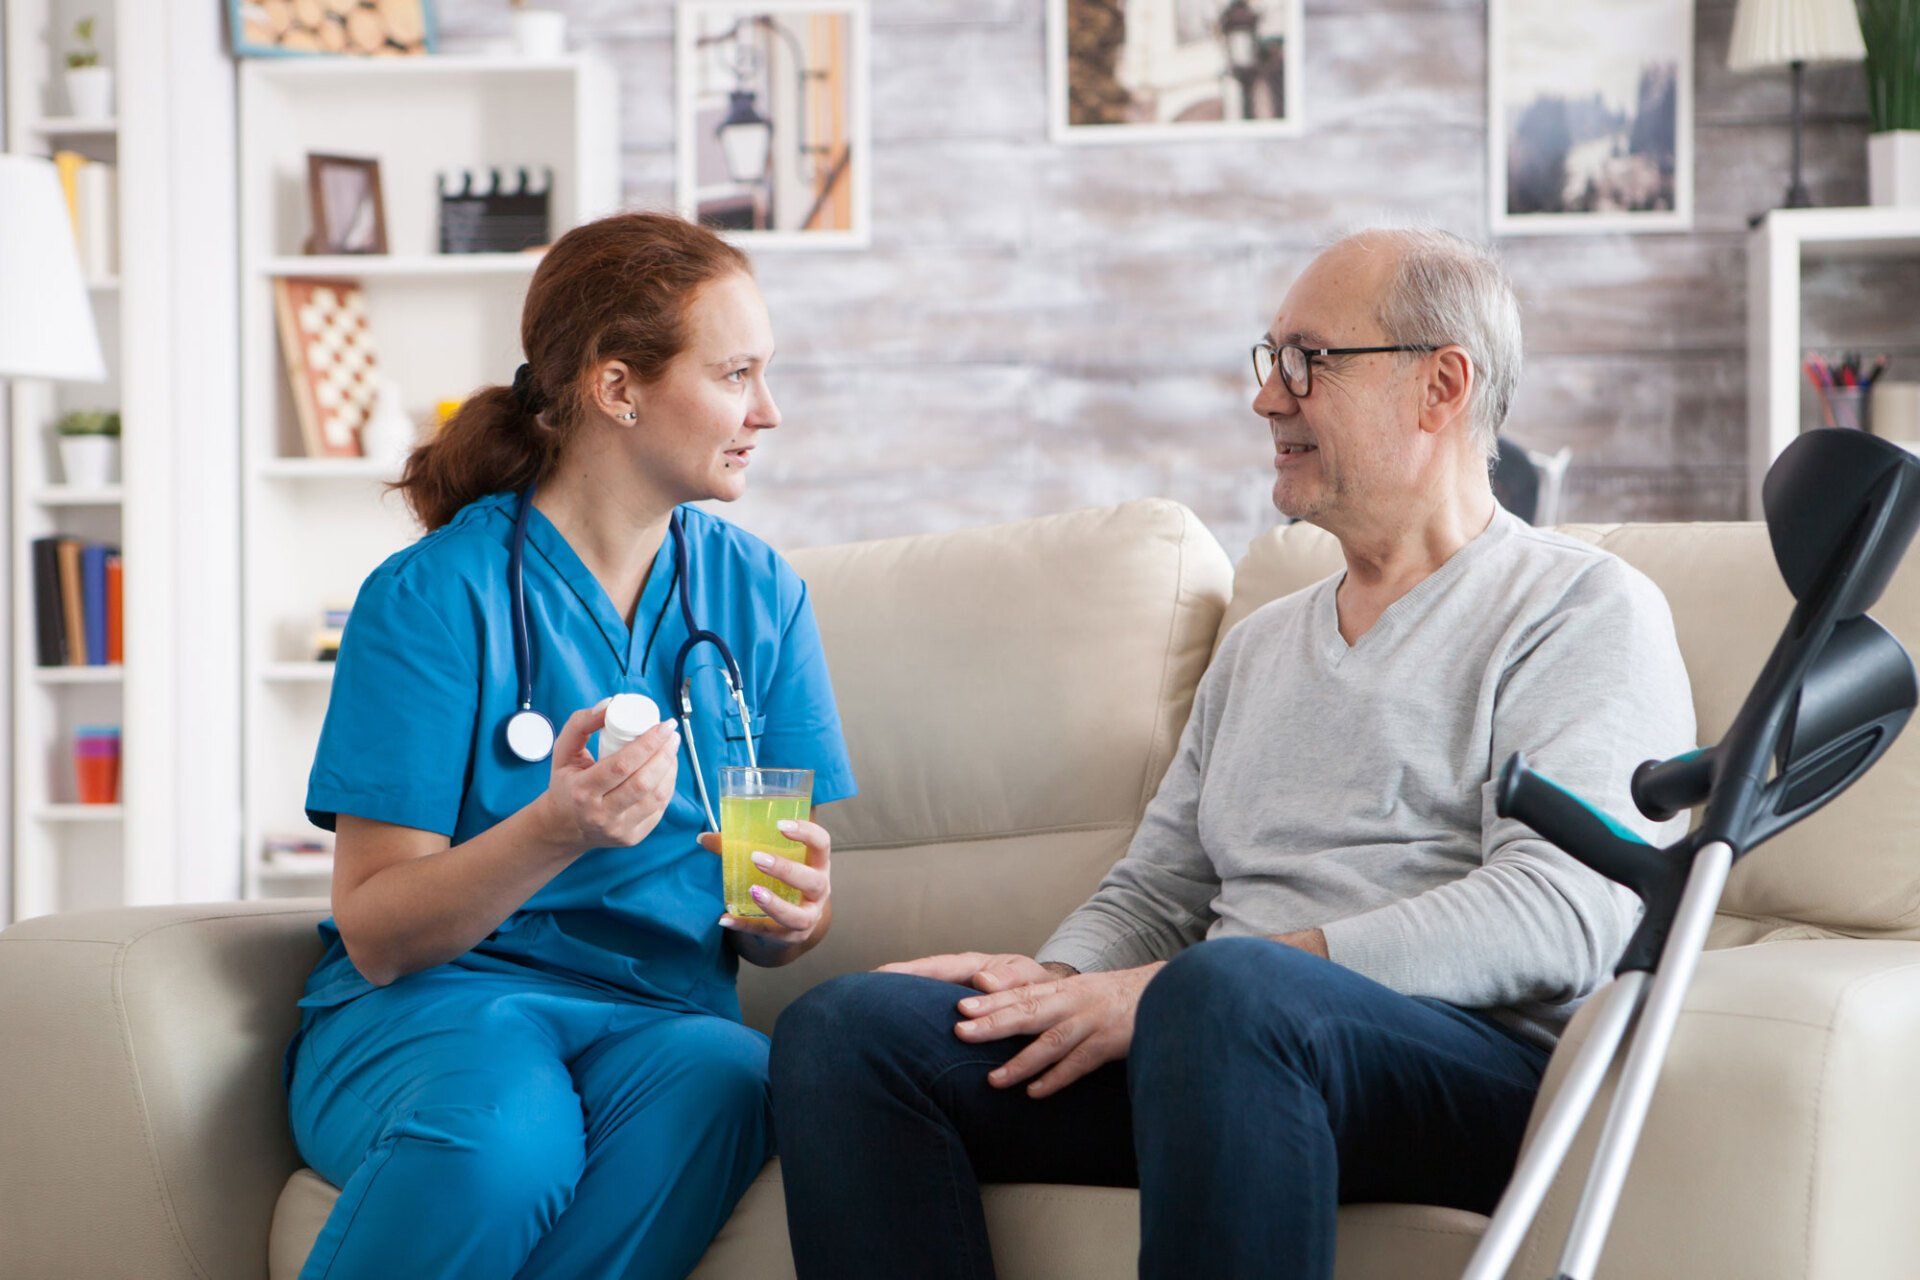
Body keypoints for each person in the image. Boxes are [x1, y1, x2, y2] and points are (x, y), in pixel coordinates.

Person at [768, 226, 1695, 1279]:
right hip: (1215, 1048)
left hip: (1463, 1067)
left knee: (1227, 991)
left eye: (1309, 360)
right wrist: (1057, 981)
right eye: (1270, 360)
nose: (1268, 398)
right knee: (849, 1031)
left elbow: (1564, 911)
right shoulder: (1262, 646)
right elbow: (1161, 888)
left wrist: (1186, 985)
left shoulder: (1580, 606)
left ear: (1441, 384)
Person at [282, 212, 856, 1280]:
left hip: (662, 1015)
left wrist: (793, 915)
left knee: (734, 1076)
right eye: (735, 374)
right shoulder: (433, 597)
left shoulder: (758, 593)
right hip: (434, 1005)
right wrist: (554, 829)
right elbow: (377, 930)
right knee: (504, 1141)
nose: (767, 412)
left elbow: (770, 920)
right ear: (617, 385)